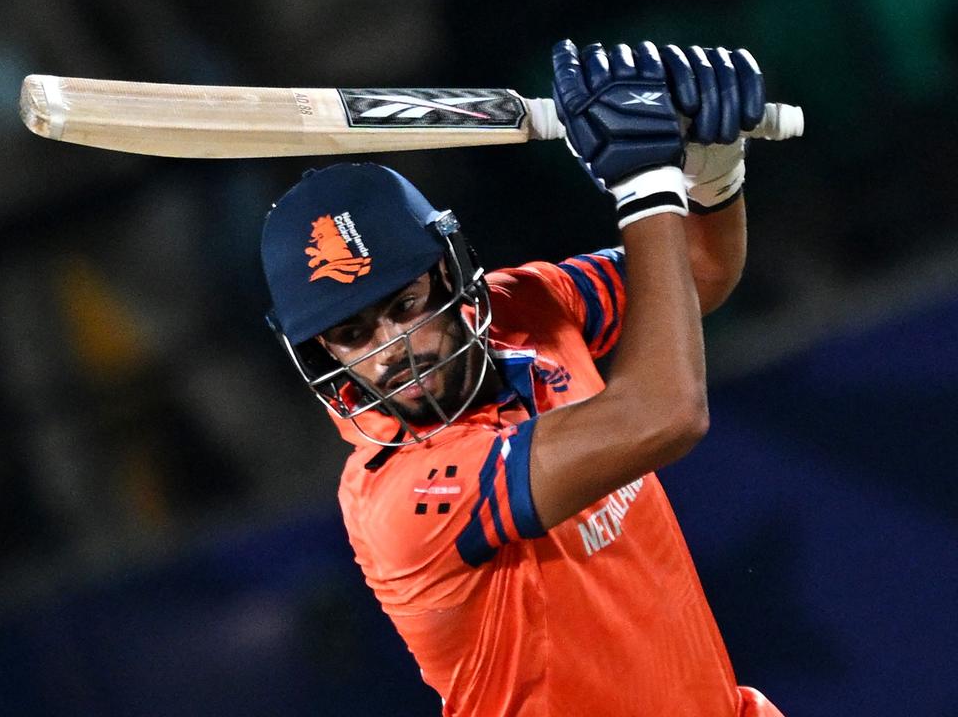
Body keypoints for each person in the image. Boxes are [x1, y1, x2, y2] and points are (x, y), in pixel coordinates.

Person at [260, 40, 785, 716]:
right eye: (354, 334)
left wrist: (711, 174)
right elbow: (667, 415)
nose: (392, 351)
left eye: (404, 307)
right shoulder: (407, 498)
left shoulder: (522, 307)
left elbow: (698, 273)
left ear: (451, 276)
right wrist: (646, 183)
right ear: (323, 352)